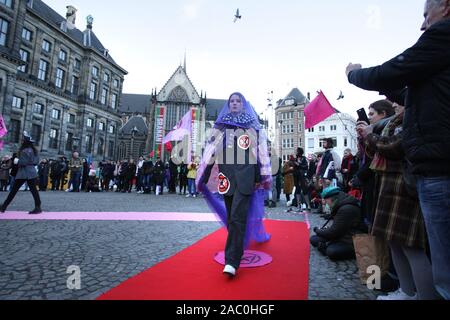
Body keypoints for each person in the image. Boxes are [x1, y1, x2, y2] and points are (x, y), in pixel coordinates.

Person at [346, 0, 450, 299]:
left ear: (444, 6)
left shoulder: (442, 36)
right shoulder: (432, 77)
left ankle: (420, 292)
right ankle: (408, 291)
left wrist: (354, 74)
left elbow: (393, 72)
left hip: (428, 174)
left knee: (428, 256)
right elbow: (404, 87)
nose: (422, 24)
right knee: (395, 242)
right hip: (410, 179)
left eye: (424, 14)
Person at [197, 92, 271, 277]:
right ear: (228, 105)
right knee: (232, 218)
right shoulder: (220, 127)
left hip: (246, 178)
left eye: (238, 101)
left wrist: (262, 178)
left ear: (243, 104)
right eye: (232, 101)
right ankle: (239, 242)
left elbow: (259, 154)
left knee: (237, 217)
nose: (235, 103)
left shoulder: (252, 127)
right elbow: (210, 154)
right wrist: (203, 177)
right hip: (226, 177)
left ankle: (232, 261)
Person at [310, 186, 365, 261]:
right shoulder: (341, 205)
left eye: (326, 201)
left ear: (332, 198)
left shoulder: (346, 209)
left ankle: (328, 247)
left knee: (332, 252)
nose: (326, 204)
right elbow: (337, 228)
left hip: (351, 240)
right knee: (314, 239)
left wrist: (317, 230)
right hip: (342, 235)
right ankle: (328, 245)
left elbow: (334, 232)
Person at [0, 133, 42, 214]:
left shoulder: (24, 151)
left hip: (23, 172)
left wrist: (17, 161)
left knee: (14, 191)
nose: (21, 142)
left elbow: (23, 163)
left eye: (23, 140)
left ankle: (4, 206)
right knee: (34, 191)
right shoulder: (34, 150)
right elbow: (36, 162)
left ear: (25, 142)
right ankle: (38, 207)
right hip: (32, 172)